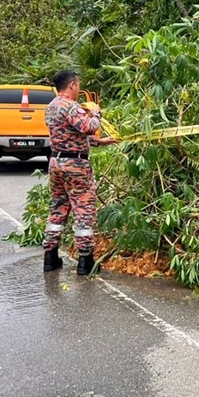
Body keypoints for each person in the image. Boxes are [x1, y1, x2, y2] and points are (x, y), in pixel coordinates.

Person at [43, 70, 116, 275]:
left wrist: (99, 142)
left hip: (56, 162)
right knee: (83, 210)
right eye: (78, 85)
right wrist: (96, 112)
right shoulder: (71, 106)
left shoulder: (51, 107)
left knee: (58, 208)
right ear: (72, 85)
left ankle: (50, 257)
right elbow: (88, 126)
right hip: (75, 165)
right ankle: (86, 261)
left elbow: (67, 135)